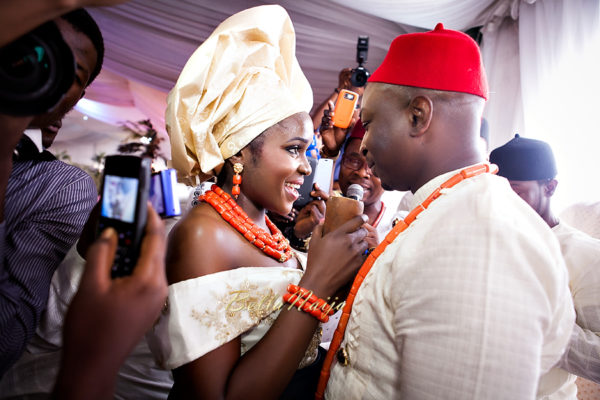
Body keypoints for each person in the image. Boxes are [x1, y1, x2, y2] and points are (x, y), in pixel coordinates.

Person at [317, 23, 575, 400]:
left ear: (418, 116)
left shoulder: (480, 235)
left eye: (369, 123)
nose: (365, 145)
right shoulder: (449, 208)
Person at [148, 5, 368, 400]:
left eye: (309, 151)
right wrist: (316, 284)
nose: (305, 167)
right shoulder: (203, 234)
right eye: (294, 149)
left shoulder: (263, 225)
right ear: (237, 152)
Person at [0, 9, 103, 377]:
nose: (38, 66)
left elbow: (7, 338)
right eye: (29, 47)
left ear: (76, 97)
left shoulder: (59, 187)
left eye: (68, 71)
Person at [490, 135, 600, 397]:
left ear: (550, 187)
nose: (504, 203)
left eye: (516, 192)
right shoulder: (485, 241)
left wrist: (538, 320)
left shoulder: (586, 255)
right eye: (496, 193)